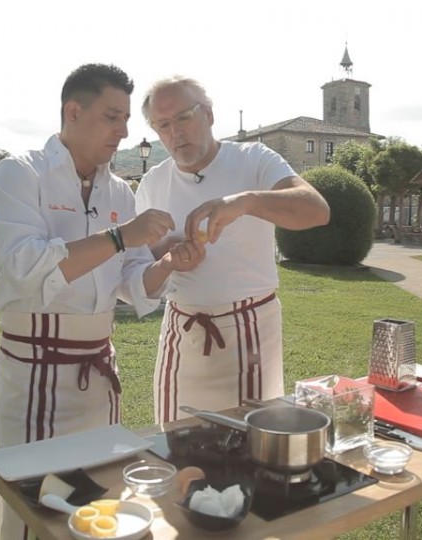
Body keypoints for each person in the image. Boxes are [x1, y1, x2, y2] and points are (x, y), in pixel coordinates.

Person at [0, 64, 204, 540]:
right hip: (34, 368)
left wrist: (169, 263)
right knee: (33, 506)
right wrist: (121, 235)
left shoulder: (119, 190)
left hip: (98, 367)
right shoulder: (19, 173)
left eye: (127, 119)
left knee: (101, 499)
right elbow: (25, 267)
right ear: (73, 111)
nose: (125, 132)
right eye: (112, 117)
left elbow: (130, 282)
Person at [135, 76, 330, 424]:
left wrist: (244, 202)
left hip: (249, 331)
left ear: (208, 115)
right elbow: (139, 263)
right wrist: (169, 254)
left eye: (184, 117)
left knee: (249, 452)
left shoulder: (253, 159)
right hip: (181, 329)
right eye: (162, 125)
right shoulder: (153, 182)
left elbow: (316, 210)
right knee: (174, 442)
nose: (175, 132)